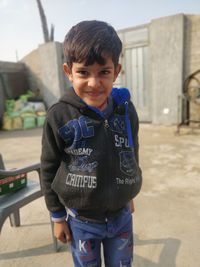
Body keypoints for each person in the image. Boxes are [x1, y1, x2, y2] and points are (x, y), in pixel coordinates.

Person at [41, 20, 142, 267]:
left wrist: (128, 190)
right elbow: (48, 167)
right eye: (83, 72)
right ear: (68, 71)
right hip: (81, 221)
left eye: (104, 72)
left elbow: (131, 150)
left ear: (116, 71)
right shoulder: (58, 115)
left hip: (121, 218)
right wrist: (57, 216)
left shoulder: (126, 110)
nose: (94, 83)